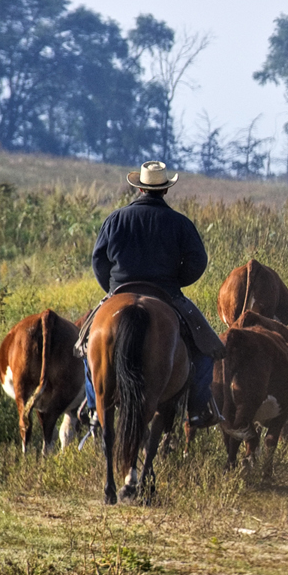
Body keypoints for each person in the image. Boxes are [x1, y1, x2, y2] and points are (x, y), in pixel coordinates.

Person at [84, 161, 225, 432]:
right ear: (165, 190)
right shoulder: (180, 223)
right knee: (207, 348)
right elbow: (198, 262)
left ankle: (93, 407)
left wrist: (112, 290)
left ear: (138, 188)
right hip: (166, 294)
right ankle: (197, 410)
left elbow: (98, 261)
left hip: (119, 292)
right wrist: (175, 283)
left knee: (85, 345)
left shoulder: (115, 219)